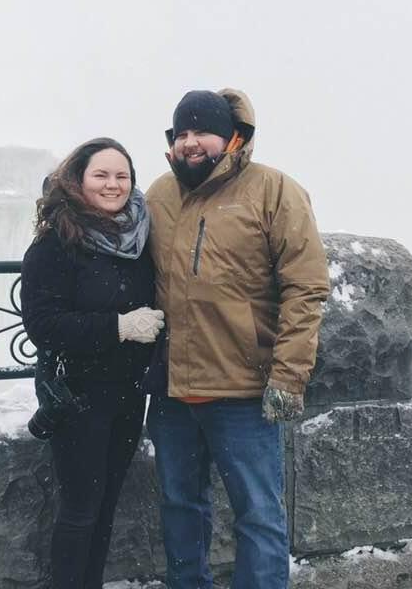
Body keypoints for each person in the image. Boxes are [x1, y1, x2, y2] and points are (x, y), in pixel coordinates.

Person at [145, 89, 330, 589]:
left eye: (201, 130)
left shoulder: (273, 190)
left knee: (259, 515)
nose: (189, 142)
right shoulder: (159, 194)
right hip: (171, 389)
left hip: (244, 391)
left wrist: (288, 378)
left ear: (233, 136)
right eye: (181, 133)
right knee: (180, 507)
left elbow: (306, 286)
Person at [20, 137, 164, 589]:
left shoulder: (139, 238)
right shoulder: (56, 244)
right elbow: (43, 325)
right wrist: (118, 327)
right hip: (79, 395)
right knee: (81, 509)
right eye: (100, 175)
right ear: (78, 180)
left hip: (127, 393)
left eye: (122, 176)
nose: (112, 184)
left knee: (105, 507)